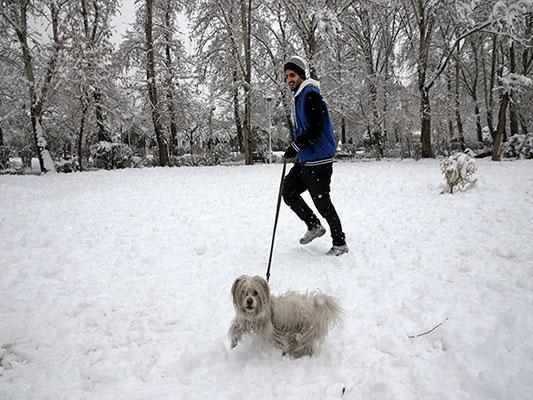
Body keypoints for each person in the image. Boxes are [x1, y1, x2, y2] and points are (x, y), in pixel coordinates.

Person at [282, 55, 348, 256]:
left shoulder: (310, 94)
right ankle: (313, 225)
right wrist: (297, 148)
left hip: (319, 159)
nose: (289, 80)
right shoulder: (300, 97)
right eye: (286, 77)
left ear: (301, 75)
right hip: (306, 159)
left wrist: (296, 145)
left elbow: (316, 126)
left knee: (322, 202)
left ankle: (340, 243)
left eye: (292, 75)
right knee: (288, 191)